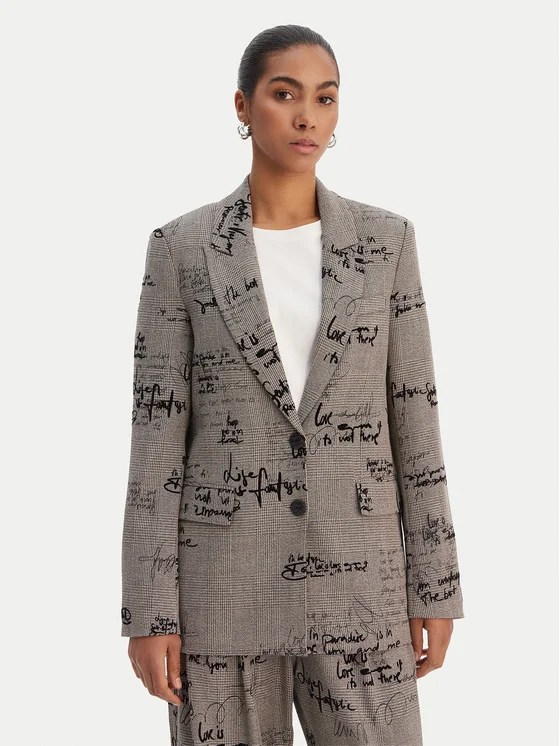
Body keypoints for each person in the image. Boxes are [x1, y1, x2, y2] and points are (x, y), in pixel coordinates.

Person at [120, 24, 465, 746]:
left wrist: (436, 585)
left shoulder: (385, 243)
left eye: (325, 98)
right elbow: (156, 441)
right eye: (285, 95)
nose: (308, 116)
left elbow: (415, 418)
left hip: (361, 587)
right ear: (243, 106)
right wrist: (149, 611)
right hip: (223, 591)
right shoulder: (181, 249)